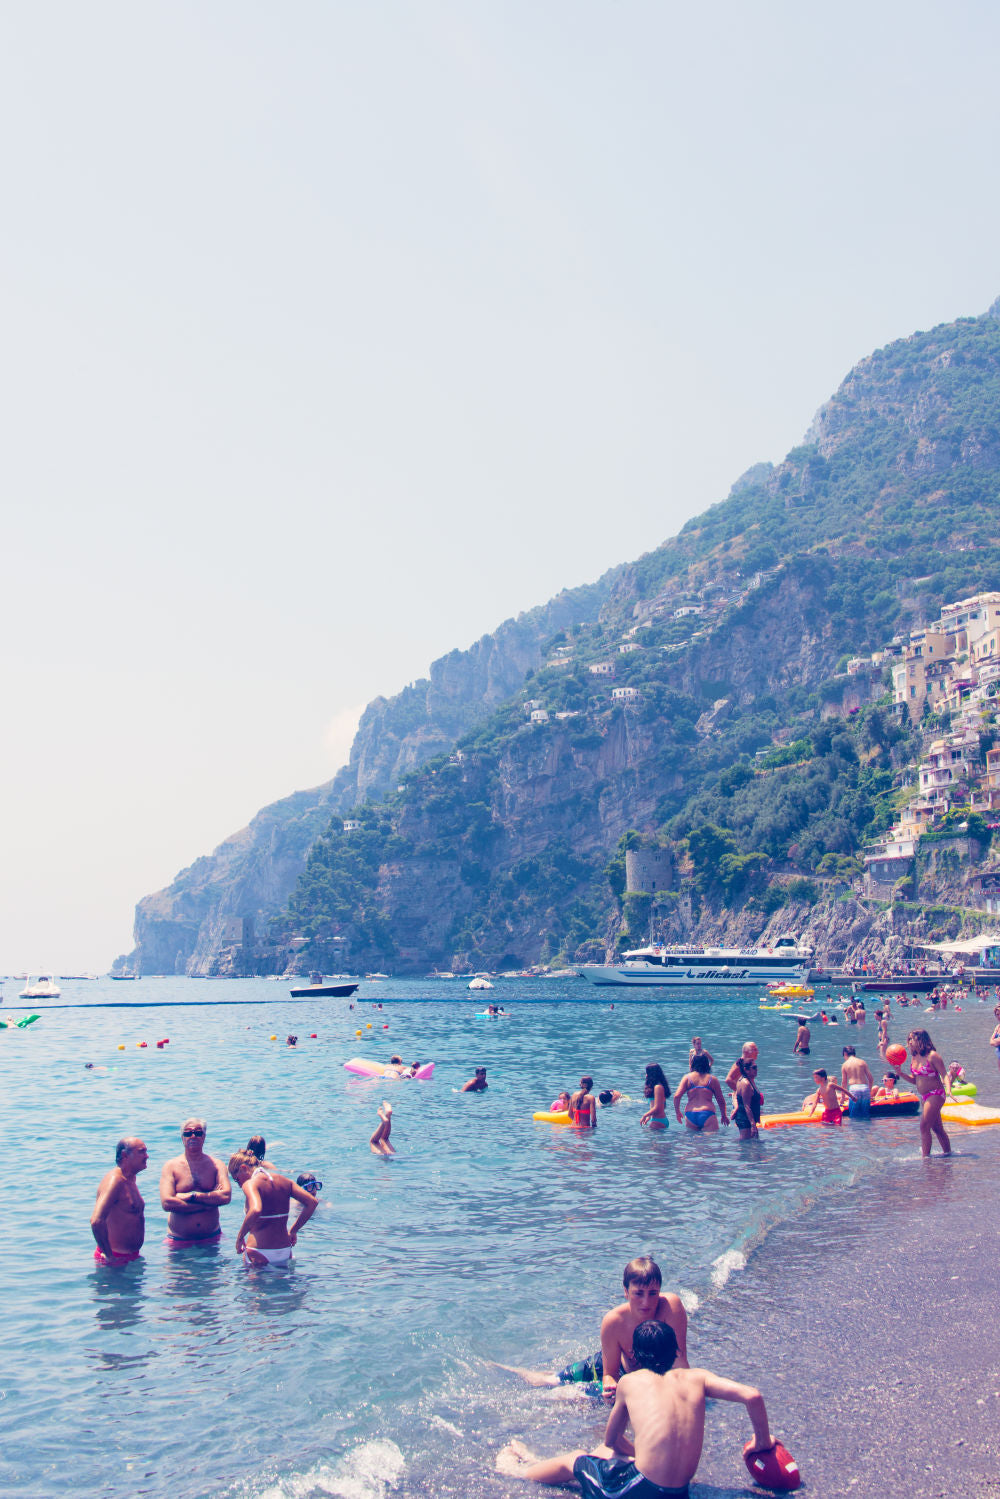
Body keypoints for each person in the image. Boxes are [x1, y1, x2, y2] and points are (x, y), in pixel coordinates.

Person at [497, 1319, 778, 1499]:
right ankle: (536, 1463)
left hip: (640, 1491)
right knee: (607, 1454)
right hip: (679, 1492)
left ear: (635, 1357)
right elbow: (753, 1396)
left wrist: (638, 1453)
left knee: (576, 1460)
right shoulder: (698, 1377)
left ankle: (518, 1471)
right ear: (676, 1351)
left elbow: (613, 1439)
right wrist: (762, 1443)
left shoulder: (630, 1382)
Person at [501, 1256, 688, 1400]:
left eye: (653, 1293)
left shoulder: (671, 1308)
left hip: (632, 1378)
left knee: (567, 1396)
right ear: (625, 1292)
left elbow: (679, 1362)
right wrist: (610, 1387)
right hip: (609, 1365)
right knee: (551, 1382)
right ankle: (506, 1369)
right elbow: (609, 1375)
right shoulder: (614, 1321)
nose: (646, 1302)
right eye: (638, 1293)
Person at [228, 1146, 318, 1268]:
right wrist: (293, 1230)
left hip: (258, 1252)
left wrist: (240, 1237)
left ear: (244, 1168)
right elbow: (312, 1202)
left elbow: (256, 1209)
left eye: (236, 1179)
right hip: (285, 1251)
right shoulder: (284, 1180)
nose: (239, 1185)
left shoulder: (250, 1184)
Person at [159, 1117, 232, 1248]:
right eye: (188, 1133)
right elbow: (166, 1203)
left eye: (198, 1133)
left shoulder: (217, 1165)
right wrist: (208, 1202)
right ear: (182, 1137)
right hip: (178, 1240)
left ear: (204, 1136)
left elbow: (226, 1196)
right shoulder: (171, 1166)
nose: (193, 1136)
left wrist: (193, 1196)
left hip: (212, 1238)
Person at [91, 1138, 148, 1264]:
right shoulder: (115, 1181)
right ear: (124, 1155)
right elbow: (96, 1221)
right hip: (114, 1259)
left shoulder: (130, 1178)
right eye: (141, 1152)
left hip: (130, 1258)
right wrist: (109, 1256)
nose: (147, 1156)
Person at [900, 1029, 951, 1156]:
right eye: (909, 1039)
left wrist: (949, 1089)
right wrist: (900, 1073)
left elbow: (944, 1075)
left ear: (921, 1039)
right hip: (925, 1096)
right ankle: (948, 1154)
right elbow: (914, 1080)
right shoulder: (914, 1057)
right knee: (937, 1128)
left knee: (923, 1126)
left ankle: (926, 1159)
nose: (909, 1042)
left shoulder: (932, 1056)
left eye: (912, 1039)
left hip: (936, 1094)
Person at [673, 1055, 728, 1133]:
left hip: (690, 1114)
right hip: (707, 1113)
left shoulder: (687, 1078)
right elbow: (720, 1100)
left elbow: (676, 1096)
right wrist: (724, 1115)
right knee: (709, 1143)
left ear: (693, 1064)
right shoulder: (712, 1079)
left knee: (693, 1144)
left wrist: (677, 1112)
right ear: (707, 1064)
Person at [840, 1046, 875, 1118]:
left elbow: (844, 1083)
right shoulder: (862, 1062)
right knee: (866, 1115)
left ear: (845, 1053)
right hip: (865, 1088)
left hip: (854, 1089)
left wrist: (842, 1098)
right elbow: (871, 1079)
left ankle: (856, 1129)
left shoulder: (845, 1065)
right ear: (854, 1054)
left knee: (854, 1116)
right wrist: (869, 1092)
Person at [732, 1058, 762, 1140]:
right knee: (747, 1145)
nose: (757, 1070)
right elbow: (747, 1106)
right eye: (754, 1067)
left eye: (756, 1067)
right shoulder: (746, 1083)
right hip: (745, 1120)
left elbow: (735, 1094)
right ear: (746, 1069)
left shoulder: (749, 1080)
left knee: (753, 1145)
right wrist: (753, 1125)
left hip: (748, 1119)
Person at [639, 1065, 669, 1129]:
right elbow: (663, 1106)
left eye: (647, 1073)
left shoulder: (658, 1087)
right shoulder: (659, 1086)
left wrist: (645, 1115)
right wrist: (649, 1116)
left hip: (658, 1121)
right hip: (660, 1120)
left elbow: (657, 1107)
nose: (646, 1075)